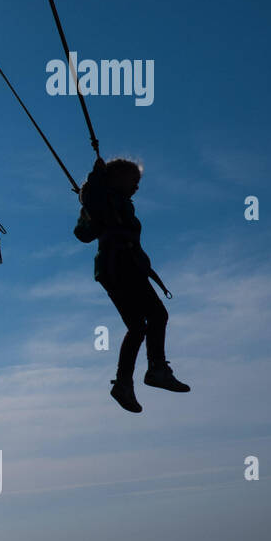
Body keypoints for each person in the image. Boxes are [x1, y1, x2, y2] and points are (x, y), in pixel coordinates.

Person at [78, 157, 189, 413]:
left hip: (124, 268)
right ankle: (155, 369)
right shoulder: (104, 199)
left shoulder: (119, 204)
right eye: (134, 181)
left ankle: (126, 383)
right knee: (156, 316)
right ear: (116, 179)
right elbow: (90, 209)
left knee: (139, 326)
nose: (137, 187)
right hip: (120, 269)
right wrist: (95, 178)